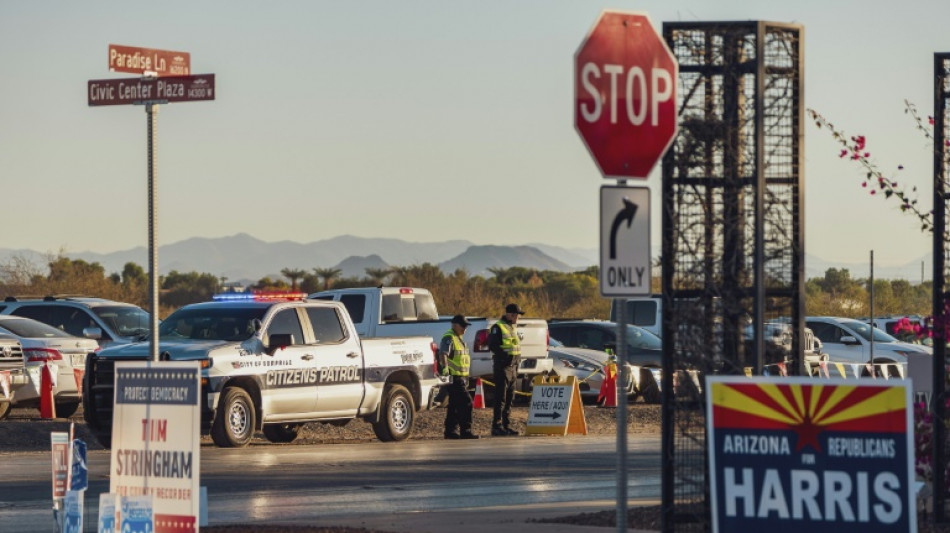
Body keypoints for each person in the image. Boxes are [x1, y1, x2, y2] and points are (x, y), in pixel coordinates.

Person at [440, 314, 479, 439]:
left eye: (466, 326)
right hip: (453, 377)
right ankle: (465, 431)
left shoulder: (459, 339)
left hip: (461, 377)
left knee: (454, 404)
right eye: (463, 326)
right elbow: (443, 354)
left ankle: (450, 431)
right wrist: (445, 368)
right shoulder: (449, 337)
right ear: (455, 325)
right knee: (466, 402)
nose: (465, 329)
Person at [489, 303, 524, 436]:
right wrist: (506, 357)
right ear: (510, 314)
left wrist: (516, 360)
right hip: (502, 367)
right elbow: (493, 346)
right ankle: (496, 426)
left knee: (510, 397)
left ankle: (506, 425)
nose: (518, 318)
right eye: (516, 315)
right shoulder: (498, 327)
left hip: (513, 367)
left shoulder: (511, 327)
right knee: (501, 397)